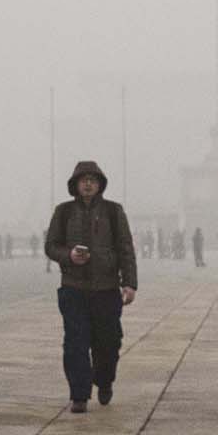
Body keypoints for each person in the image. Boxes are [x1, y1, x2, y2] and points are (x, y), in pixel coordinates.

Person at [45, 161, 137, 412]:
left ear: (99, 184)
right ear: (75, 184)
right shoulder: (64, 212)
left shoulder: (113, 212)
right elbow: (51, 246)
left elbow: (125, 249)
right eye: (83, 180)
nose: (87, 184)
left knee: (108, 343)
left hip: (106, 289)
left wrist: (129, 283)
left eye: (92, 180)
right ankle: (79, 395)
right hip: (73, 288)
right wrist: (69, 255)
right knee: (75, 343)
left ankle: (104, 381)